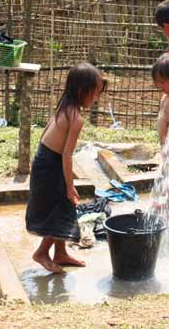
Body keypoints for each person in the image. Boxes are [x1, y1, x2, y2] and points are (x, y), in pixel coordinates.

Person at [25, 62, 107, 273]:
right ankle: (42, 252)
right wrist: (70, 187)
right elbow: (67, 154)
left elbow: (45, 135)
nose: (96, 98)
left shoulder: (65, 106)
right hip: (51, 164)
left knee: (63, 207)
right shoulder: (76, 118)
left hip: (44, 159)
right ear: (82, 90)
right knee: (61, 208)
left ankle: (60, 253)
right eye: (95, 93)